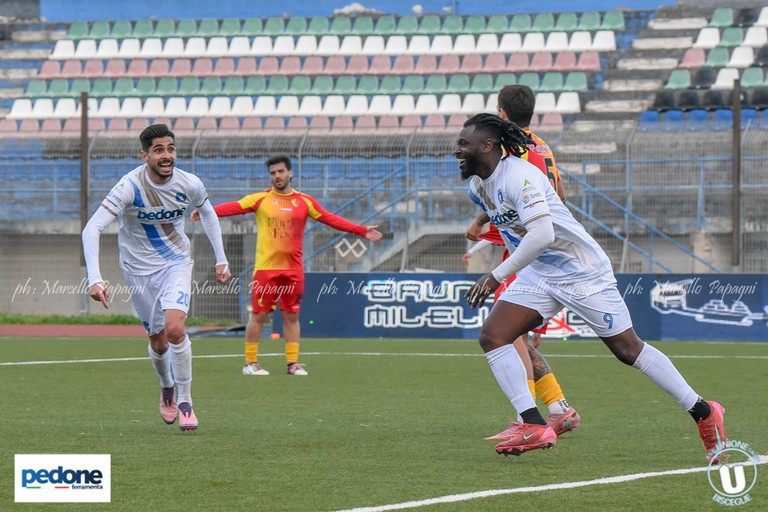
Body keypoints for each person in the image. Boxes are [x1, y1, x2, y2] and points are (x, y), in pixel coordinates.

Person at [456, 113, 726, 460]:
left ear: (487, 146)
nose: (456, 150)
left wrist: (495, 275)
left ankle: (704, 412)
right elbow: (498, 211)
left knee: (629, 351)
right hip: (540, 274)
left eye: (464, 144)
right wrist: (481, 223)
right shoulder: (478, 185)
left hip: (582, 272)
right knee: (494, 336)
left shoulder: (520, 177)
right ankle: (533, 424)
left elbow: (543, 234)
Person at [82, 124, 231, 432]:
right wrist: (94, 278)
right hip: (137, 270)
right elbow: (91, 228)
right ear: (145, 155)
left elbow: (208, 213)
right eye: (159, 150)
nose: (167, 156)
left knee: (175, 329)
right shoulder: (129, 187)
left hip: (176, 262)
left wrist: (221, 259)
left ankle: (186, 401)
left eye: (171, 149)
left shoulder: (189, 183)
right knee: (158, 341)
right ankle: (167, 388)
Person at [192, 155, 382, 376]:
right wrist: (208, 211)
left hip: (294, 270)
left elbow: (330, 218)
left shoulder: (305, 201)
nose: (277, 176)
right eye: (273, 173)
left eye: (280, 172)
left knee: (291, 316)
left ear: (290, 173)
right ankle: (250, 363)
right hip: (266, 270)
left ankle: (292, 364)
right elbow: (235, 207)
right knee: (259, 315)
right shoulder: (260, 199)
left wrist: (361, 230)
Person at [464, 83, 581, 439]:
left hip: (528, 251)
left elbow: (509, 194)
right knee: (518, 337)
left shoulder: (510, 150)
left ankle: (528, 419)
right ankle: (559, 408)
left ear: (500, 113)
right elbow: (556, 195)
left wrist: (484, 221)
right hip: (540, 245)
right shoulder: (542, 146)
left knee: (506, 333)